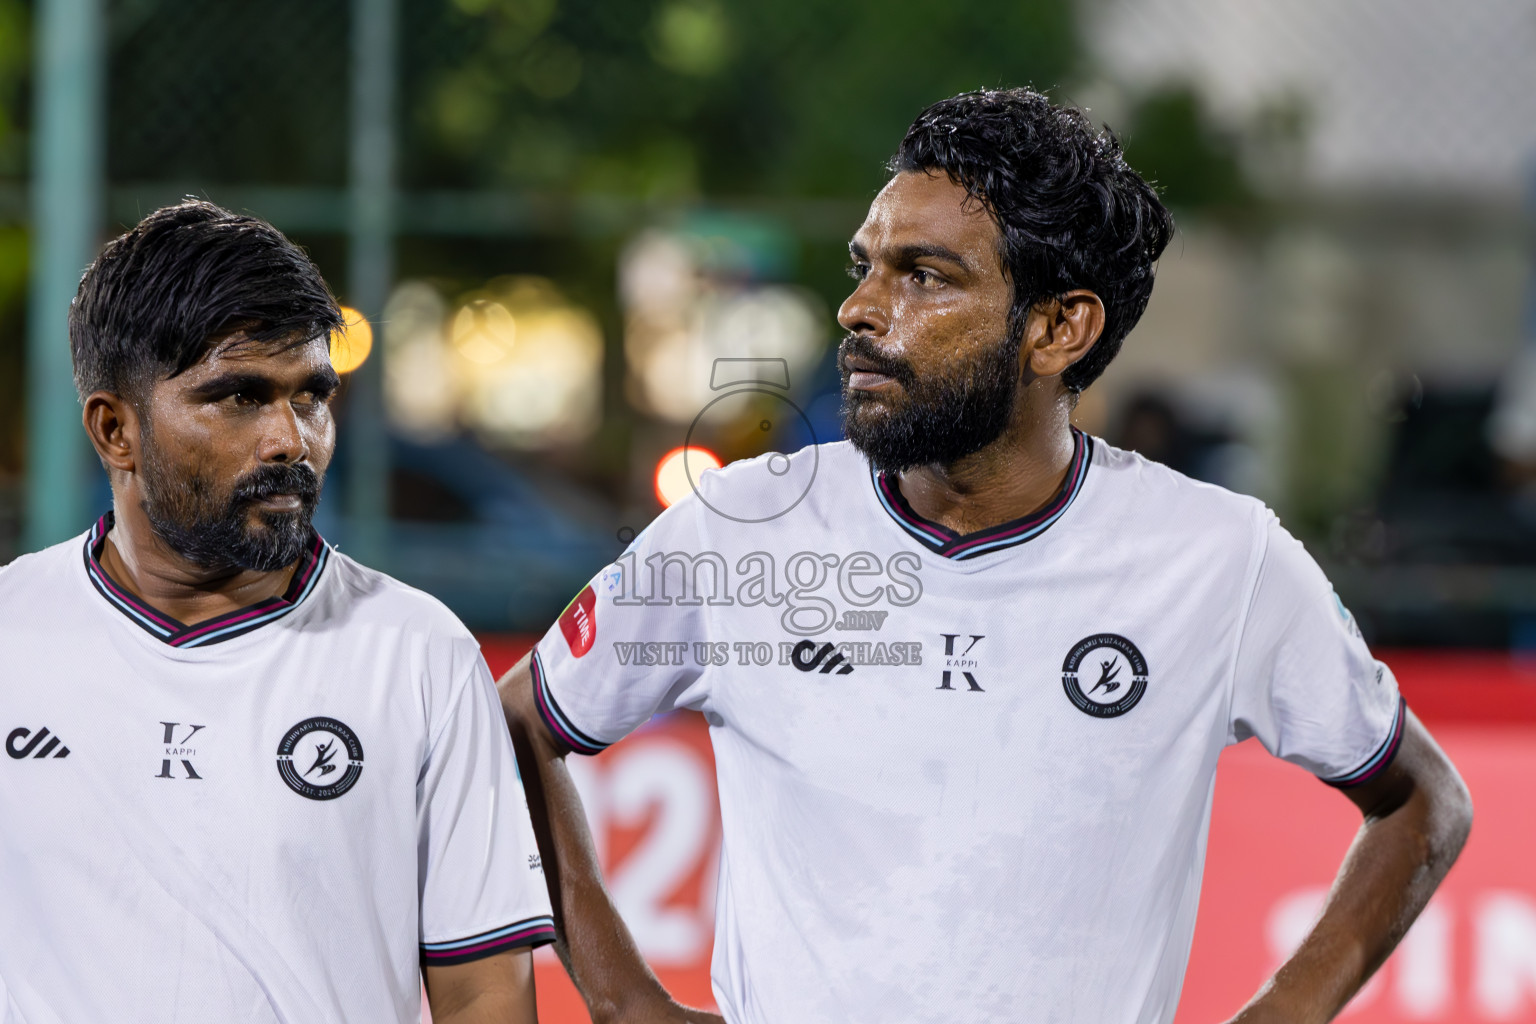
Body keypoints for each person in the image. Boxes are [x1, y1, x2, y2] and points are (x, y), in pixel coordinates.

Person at [500, 88, 1472, 1024]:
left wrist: (1287, 1009)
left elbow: (1422, 799)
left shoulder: (1221, 560)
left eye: (923, 275)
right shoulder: (740, 527)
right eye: (865, 265)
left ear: (1059, 327)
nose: (860, 309)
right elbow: (513, 728)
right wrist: (625, 1000)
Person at [0, 201, 551, 1023]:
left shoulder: (417, 652)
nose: (291, 440)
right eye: (239, 397)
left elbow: (483, 995)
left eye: (311, 397)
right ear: (115, 429)